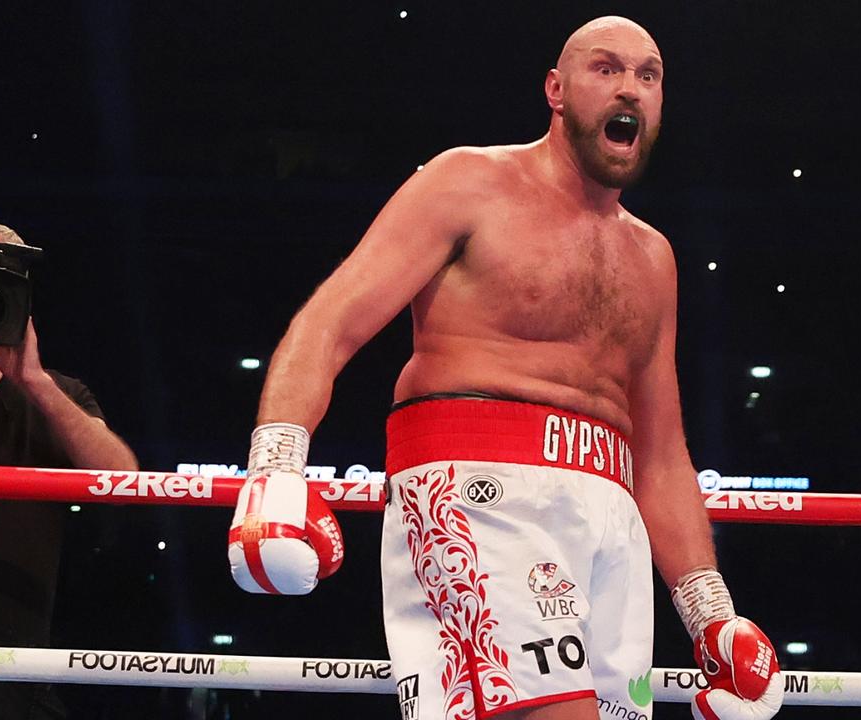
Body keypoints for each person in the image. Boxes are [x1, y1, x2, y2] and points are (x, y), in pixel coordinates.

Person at [228, 16, 784, 720]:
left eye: (649, 76)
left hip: (611, 528)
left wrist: (712, 618)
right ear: (556, 89)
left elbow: (662, 453)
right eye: (606, 69)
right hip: (479, 497)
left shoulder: (653, 258)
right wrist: (275, 470)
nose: (631, 89)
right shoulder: (470, 181)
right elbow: (330, 322)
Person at [0, 220, 139, 720]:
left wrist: (35, 382)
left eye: (8, 273)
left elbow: (122, 479)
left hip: (17, 665)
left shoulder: (57, 395)